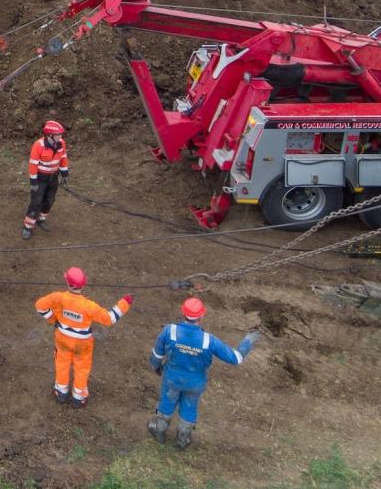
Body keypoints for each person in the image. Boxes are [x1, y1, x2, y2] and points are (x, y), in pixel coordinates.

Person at [148, 298, 261, 450]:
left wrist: (156, 367)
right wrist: (249, 339)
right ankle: (183, 439)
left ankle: (159, 430)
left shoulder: (170, 331)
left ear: (183, 313)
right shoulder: (209, 341)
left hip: (172, 379)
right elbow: (236, 358)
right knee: (189, 408)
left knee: (167, 402)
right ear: (201, 316)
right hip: (195, 383)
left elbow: (157, 353)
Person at [35, 267, 132, 408]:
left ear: (67, 282)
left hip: (62, 339)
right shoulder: (89, 306)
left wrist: (52, 319)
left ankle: (61, 391)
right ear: (84, 284)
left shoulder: (58, 297)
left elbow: (39, 306)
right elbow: (109, 319)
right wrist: (124, 303)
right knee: (82, 368)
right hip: (82, 345)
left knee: (62, 364)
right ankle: (78, 397)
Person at [22, 120, 69, 240]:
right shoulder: (38, 145)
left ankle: (41, 219)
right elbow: (33, 164)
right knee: (36, 202)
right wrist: (33, 181)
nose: (61, 136)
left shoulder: (61, 143)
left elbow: (63, 158)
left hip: (53, 177)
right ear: (50, 135)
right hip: (40, 178)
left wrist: (64, 173)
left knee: (49, 200)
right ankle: (28, 226)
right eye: (58, 134)